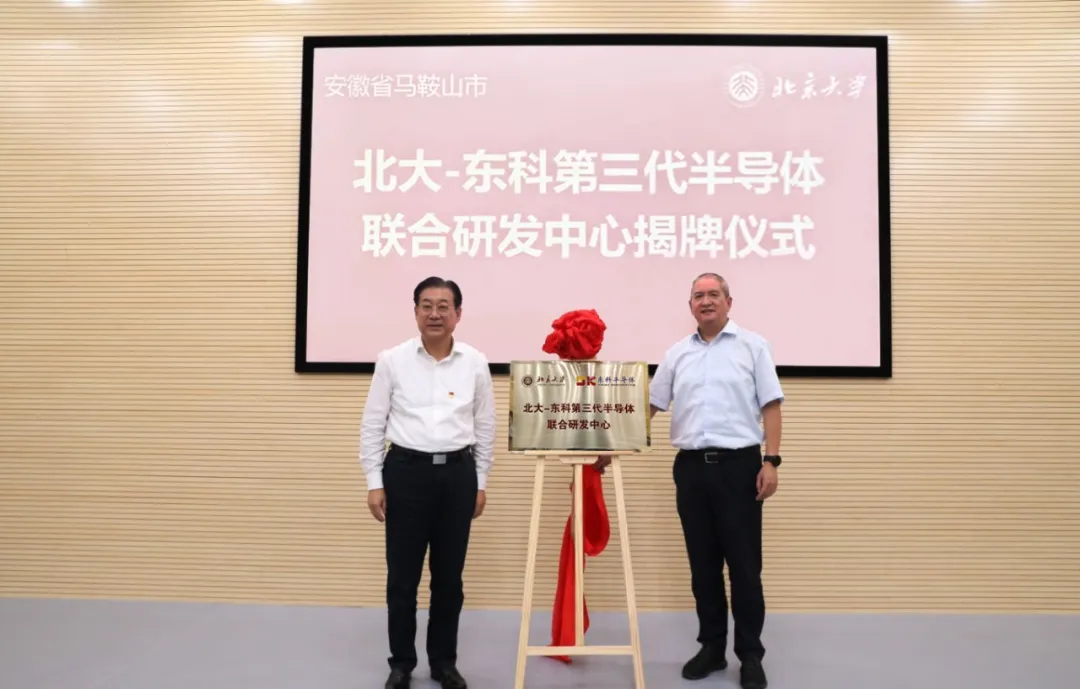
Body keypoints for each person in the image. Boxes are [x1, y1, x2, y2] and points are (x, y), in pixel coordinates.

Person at [647, 272, 784, 689]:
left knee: (744, 567)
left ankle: (750, 655)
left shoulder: (752, 346)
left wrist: (771, 461)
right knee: (703, 566)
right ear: (690, 306)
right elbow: (650, 406)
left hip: (740, 468)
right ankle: (711, 647)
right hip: (690, 470)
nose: (705, 301)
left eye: (713, 294)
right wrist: (607, 447)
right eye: (697, 296)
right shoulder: (676, 354)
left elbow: (771, 405)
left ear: (728, 301)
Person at [359, 276, 496, 689]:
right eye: (426, 305)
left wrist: (480, 481)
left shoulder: (475, 362)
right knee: (402, 578)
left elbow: (485, 426)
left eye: (443, 306)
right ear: (416, 311)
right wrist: (374, 481)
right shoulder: (392, 360)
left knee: (449, 579)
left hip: (457, 475)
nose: (435, 313)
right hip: (405, 473)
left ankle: (443, 663)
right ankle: (401, 663)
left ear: (458, 314)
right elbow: (372, 424)